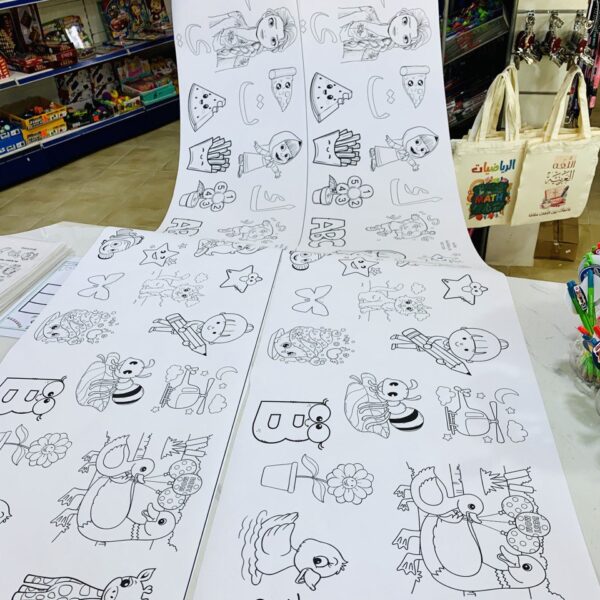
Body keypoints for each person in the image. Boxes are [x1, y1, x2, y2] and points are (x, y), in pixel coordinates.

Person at [210, 8, 297, 70]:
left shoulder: (242, 60)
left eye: (273, 40)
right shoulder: (236, 17)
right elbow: (207, 22)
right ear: (266, 15)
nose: (267, 33)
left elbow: (211, 68)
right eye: (271, 23)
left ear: (272, 48)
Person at [339, 6, 431, 61]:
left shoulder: (371, 54)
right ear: (400, 14)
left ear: (403, 45)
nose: (400, 30)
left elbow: (338, 60)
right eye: (404, 21)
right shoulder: (368, 11)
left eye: (406, 38)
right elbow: (335, 12)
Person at [370, 127, 439, 172]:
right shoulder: (402, 147)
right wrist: (390, 142)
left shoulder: (408, 157)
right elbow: (394, 145)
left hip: (394, 157)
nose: (417, 149)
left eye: (422, 150)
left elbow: (410, 161)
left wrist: (414, 166)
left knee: (385, 159)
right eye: (417, 142)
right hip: (392, 152)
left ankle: (375, 161)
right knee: (384, 152)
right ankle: (374, 152)